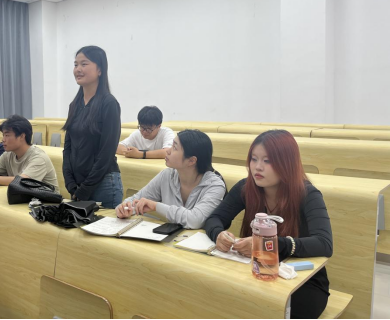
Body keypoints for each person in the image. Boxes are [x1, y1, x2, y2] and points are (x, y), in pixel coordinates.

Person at [205, 130, 333, 320]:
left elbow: (324, 243)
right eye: (254, 159)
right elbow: (214, 218)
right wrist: (218, 234)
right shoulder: (246, 187)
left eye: (267, 161)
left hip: (303, 282)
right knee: (216, 295)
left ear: (287, 163)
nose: (258, 167)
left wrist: (266, 244)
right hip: (255, 272)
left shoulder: (308, 194)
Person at [116, 130, 226, 229]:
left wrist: (156, 206)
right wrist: (125, 208)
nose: (168, 151)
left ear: (191, 161)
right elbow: (136, 199)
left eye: (174, 148)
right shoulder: (167, 175)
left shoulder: (215, 185)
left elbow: (194, 220)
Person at [62, 46, 123, 209]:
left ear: (100, 70)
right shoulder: (74, 105)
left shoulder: (109, 103)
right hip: (78, 185)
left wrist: (85, 188)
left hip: (104, 185)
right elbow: (68, 148)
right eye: (75, 64)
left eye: (84, 64)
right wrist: (70, 182)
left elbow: (106, 153)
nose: (78, 69)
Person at [0, 115, 59, 191]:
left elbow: (22, 181)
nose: (3, 140)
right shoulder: (8, 154)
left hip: (47, 204)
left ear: (22, 136)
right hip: (26, 199)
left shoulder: (39, 157)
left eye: (7, 135)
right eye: (3, 135)